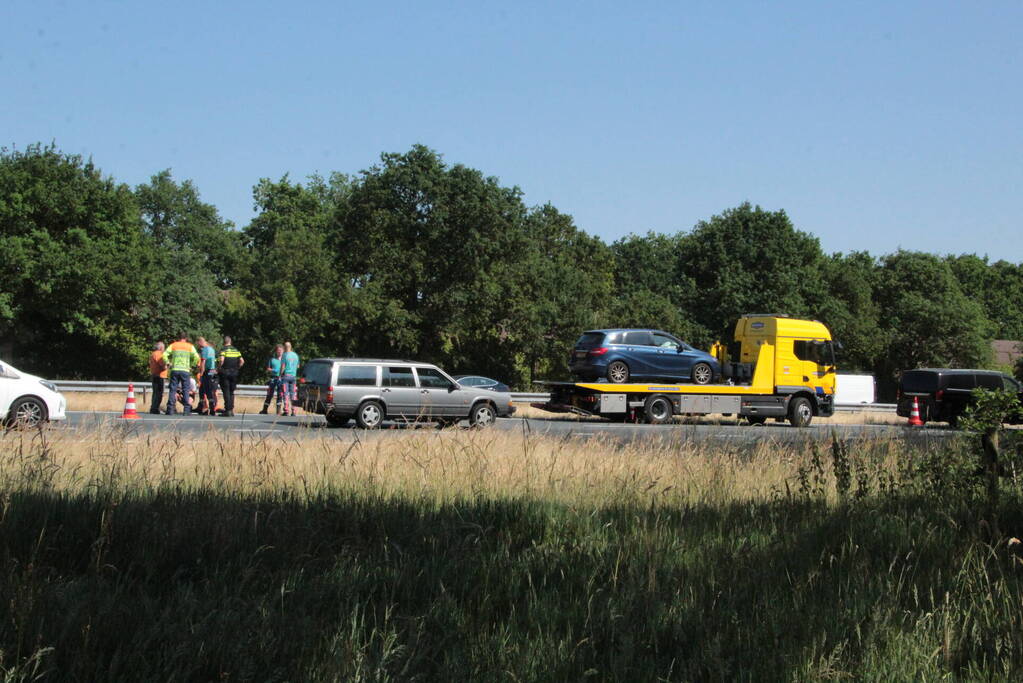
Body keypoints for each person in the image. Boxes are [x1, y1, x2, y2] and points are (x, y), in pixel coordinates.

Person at [165, 333, 200, 415]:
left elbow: (164, 355)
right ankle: (186, 410)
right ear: (186, 338)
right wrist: (192, 365)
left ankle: (170, 409)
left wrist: (168, 363)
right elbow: (197, 357)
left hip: (175, 369)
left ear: (178, 338)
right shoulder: (189, 346)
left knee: (173, 389)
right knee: (186, 389)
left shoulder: (173, 345)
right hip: (185, 370)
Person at [217, 336, 245, 417]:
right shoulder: (236, 350)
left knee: (226, 391)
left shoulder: (223, 349)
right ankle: (231, 410)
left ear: (224, 342)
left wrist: (219, 368)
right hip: (234, 373)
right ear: (231, 341)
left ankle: (228, 410)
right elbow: (242, 361)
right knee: (231, 392)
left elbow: (221, 360)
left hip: (225, 372)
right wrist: (237, 368)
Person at [197, 336, 219, 416]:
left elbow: (203, 363)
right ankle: (208, 407)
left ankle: (208, 408)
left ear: (200, 342)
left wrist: (201, 373)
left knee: (204, 390)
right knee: (208, 390)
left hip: (208, 371)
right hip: (213, 371)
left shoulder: (205, 350)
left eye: (198, 344)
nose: (198, 347)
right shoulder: (211, 349)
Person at [259, 344, 284, 415]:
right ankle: (264, 410)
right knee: (269, 394)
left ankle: (278, 411)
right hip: (273, 378)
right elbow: (268, 369)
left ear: (283, 351)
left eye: (280, 351)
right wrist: (273, 370)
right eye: (278, 351)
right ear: (276, 351)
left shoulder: (284, 360)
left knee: (280, 394)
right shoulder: (272, 359)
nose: (279, 352)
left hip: (281, 378)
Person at [280, 341, 300, 417]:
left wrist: (280, 374)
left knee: (285, 393)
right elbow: (298, 366)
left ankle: (286, 410)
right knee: (293, 394)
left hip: (286, 376)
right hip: (293, 376)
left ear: (285, 347)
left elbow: (283, 366)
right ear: (291, 347)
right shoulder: (296, 355)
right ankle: (294, 411)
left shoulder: (284, 355)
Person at [148, 341, 167, 415]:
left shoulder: (153, 354)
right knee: (159, 393)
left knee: (155, 393)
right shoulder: (159, 354)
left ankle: (153, 407)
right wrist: (168, 365)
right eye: (164, 348)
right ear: (161, 348)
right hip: (160, 376)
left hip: (154, 375)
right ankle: (155, 408)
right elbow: (163, 366)